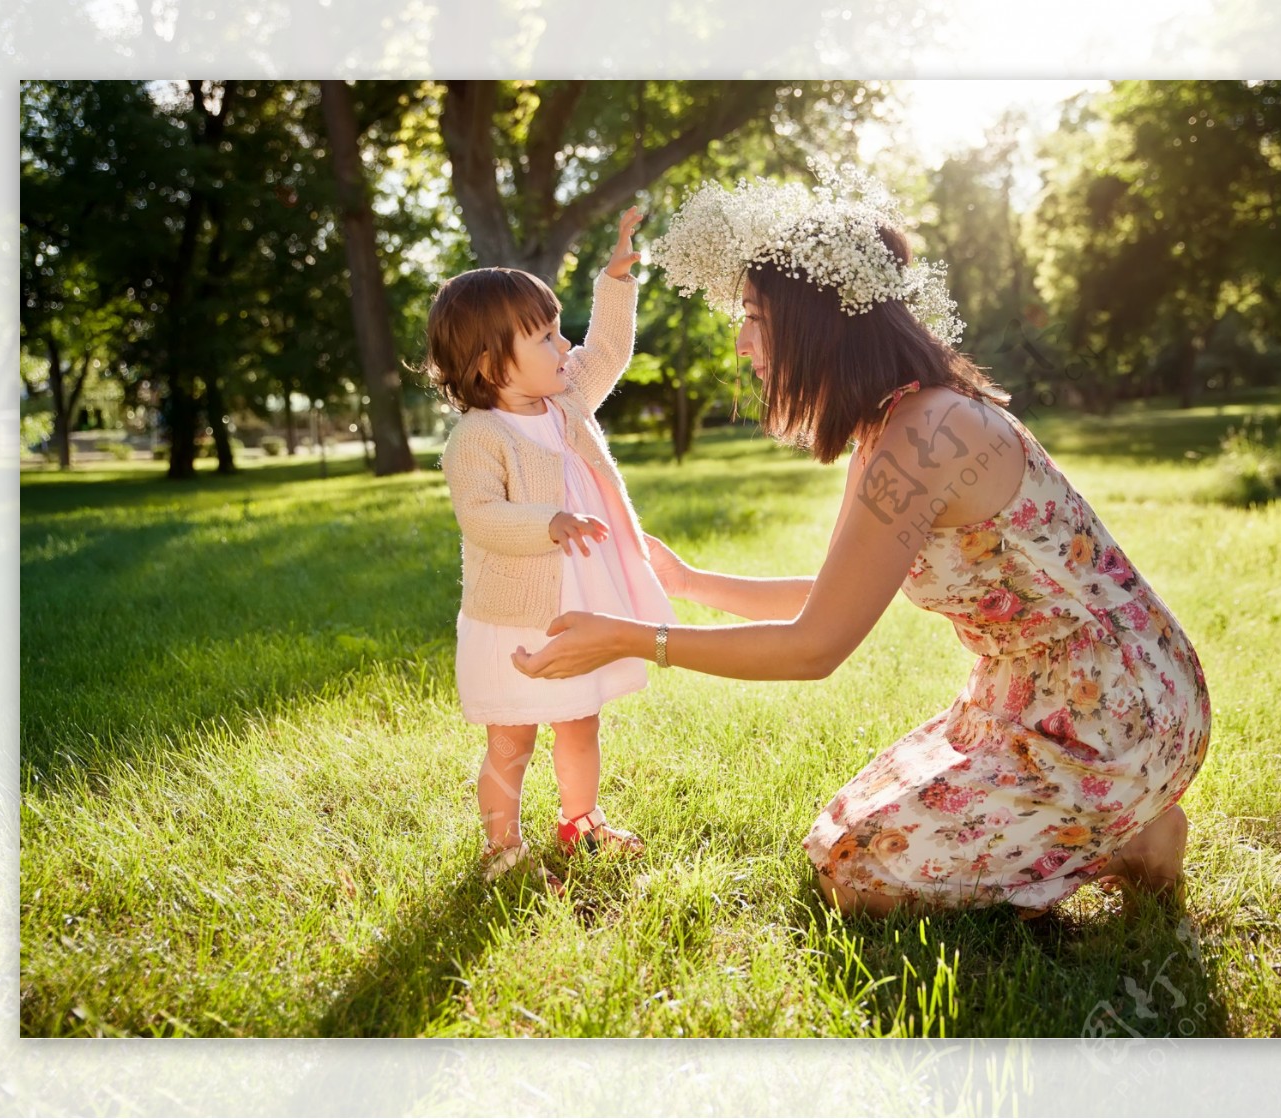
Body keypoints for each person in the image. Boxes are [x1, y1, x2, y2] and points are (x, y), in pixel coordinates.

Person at [512, 165, 1211, 918]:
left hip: (1117, 708)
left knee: (858, 877)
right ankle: (1106, 829)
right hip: (1026, 698)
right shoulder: (890, 426)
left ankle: (1125, 832)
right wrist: (689, 581)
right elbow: (835, 593)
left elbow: (815, 647)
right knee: (837, 839)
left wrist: (629, 638)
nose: (743, 341)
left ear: (819, 325)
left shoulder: (929, 436)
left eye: (754, 317)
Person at [428, 206, 674, 894]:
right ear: (489, 363)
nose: (563, 347)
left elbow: (607, 351)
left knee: (580, 718)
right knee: (512, 736)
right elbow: (481, 516)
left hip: (576, 607)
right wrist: (549, 521)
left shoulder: (567, 401)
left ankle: (581, 820)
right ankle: (502, 845)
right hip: (513, 615)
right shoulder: (479, 437)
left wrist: (616, 279)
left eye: (556, 329)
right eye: (543, 336)